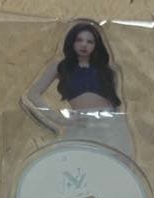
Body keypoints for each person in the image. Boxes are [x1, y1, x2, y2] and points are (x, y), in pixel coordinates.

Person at [23, 21, 132, 157]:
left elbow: (116, 105)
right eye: (79, 40)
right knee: (76, 160)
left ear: (96, 45)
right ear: (72, 41)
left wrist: (117, 124)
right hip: (81, 123)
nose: (84, 45)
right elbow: (33, 94)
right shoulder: (61, 67)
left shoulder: (108, 70)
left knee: (113, 160)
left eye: (90, 42)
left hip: (109, 124)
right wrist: (59, 119)